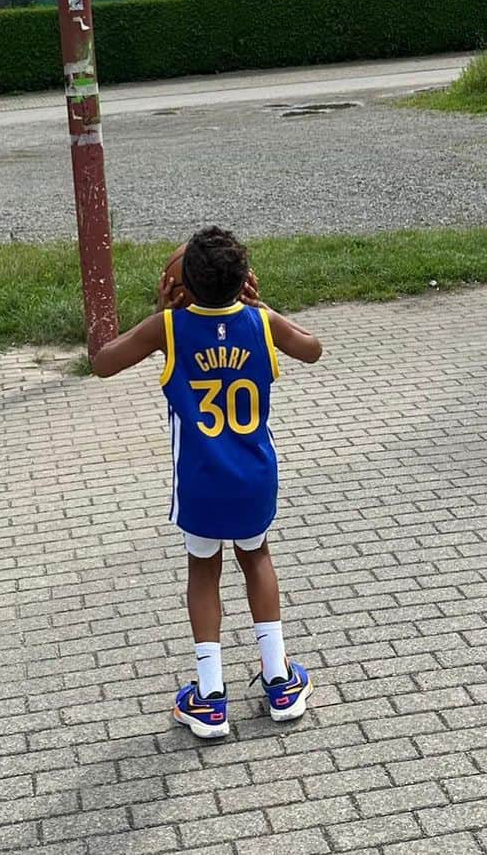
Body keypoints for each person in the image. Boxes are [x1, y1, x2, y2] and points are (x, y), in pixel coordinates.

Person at [91, 225, 323, 739]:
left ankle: (211, 696)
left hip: (199, 482)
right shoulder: (260, 322)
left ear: (180, 286)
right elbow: (313, 349)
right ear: (246, 281)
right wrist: (266, 309)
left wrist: (160, 310)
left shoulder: (168, 328)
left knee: (203, 571)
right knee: (257, 559)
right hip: (254, 478)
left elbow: (102, 363)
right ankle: (280, 680)